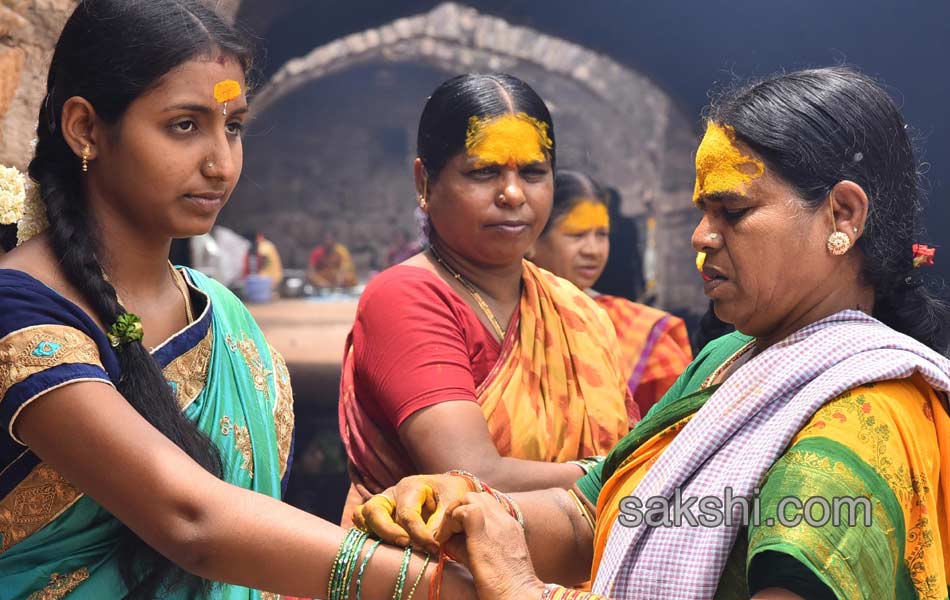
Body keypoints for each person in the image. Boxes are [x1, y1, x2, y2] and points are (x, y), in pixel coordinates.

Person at [356, 67, 950, 600]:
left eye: (732, 212)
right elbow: (597, 507)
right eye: (701, 212)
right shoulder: (726, 359)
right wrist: (471, 508)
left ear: (842, 216)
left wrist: (521, 589)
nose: (700, 236)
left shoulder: (863, 423)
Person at [0, 2, 475, 597]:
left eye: (234, 126)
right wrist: (444, 588)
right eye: (184, 125)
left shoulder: (219, 310)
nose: (220, 163)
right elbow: (193, 522)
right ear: (85, 129)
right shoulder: (22, 311)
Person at [338, 74, 635, 522]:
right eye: (483, 172)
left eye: (534, 173)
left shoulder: (575, 308)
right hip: (439, 581)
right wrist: (620, 475)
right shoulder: (405, 297)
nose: (513, 194)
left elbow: (633, 446)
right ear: (425, 182)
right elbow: (471, 475)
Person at [529, 170, 693, 415]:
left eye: (602, 235)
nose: (593, 250)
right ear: (532, 240)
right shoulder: (504, 318)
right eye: (577, 235)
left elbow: (674, 426)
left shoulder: (640, 332)